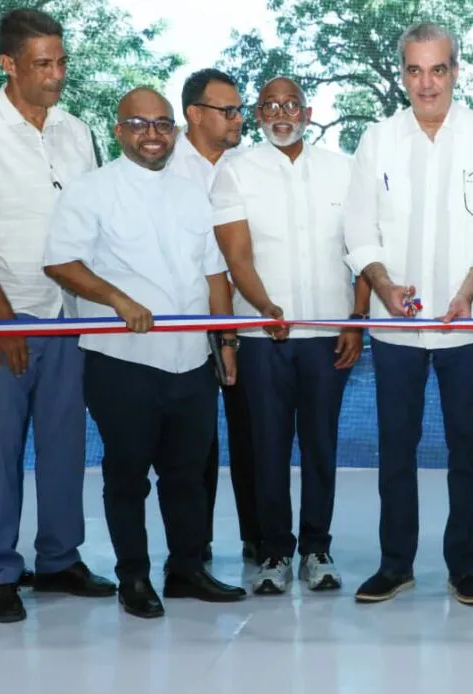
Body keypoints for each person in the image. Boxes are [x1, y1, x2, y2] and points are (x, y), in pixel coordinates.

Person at [0, 8, 115, 624]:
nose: (56, 75)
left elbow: (89, 224)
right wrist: (2, 320)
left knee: (65, 447)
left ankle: (60, 560)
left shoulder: (76, 129)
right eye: (43, 64)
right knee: (0, 449)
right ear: (8, 63)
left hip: (69, 317)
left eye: (62, 62)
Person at [43, 87, 248, 619]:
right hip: (121, 361)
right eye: (139, 124)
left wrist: (224, 341)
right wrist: (117, 299)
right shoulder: (90, 191)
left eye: (161, 124)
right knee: (127, 476)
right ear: (119, 131)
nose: (152, 134)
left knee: (187, 475)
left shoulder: (189, 195)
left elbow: (213, 272)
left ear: (175, 132)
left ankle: (185, 570)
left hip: (191, 361)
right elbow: (60, 262)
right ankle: (133, 577)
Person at [343, 21, 473, 606]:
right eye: (414, 70)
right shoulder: (377, 140)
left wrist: (468, 291)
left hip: (467, 325)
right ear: (402, 74)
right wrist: (384, 286)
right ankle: (396, 565)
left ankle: (464, 566)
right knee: (395, 449)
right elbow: (358, 228)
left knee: (468, 450)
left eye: (437, 69)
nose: (426, 82)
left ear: (456, 71)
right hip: (396, 330)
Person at [212, 76, 370, 595]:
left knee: (321, 444)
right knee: (268, 447)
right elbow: (236, 256)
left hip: (328, 332)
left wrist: (356, 319)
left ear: (308, 110)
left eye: (291, 105)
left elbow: (364, 251)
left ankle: (317, 549)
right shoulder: (235, 171)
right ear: (258, 115)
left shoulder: (344, 169)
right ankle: (275, 552)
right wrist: (263, 307)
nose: (282, 113)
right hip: (263, 336)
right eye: (270, 106)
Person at [167, 67, 259, 563]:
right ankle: (192, 547)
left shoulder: (246, 166)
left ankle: (259, 539)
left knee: (251, 438)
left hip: (243, 322)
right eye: (228, 110)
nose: (238, 118)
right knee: (192, 446)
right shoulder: (161, 166)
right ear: (194, 114)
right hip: (184, 325)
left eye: (240, 109)